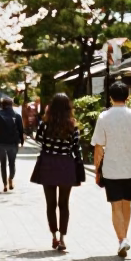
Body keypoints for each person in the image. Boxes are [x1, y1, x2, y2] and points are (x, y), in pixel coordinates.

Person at [91, 80, 131, 259]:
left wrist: (97, 170)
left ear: (110, 98)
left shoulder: (103, 117)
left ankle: (122, 239)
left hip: (111, 168)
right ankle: (124, 237)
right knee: (127, 203)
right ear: (128, 97)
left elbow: (98, 147)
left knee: (115, 205)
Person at [30, 93, 85, 251]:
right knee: (64, 204)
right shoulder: (72, 125)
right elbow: (76, 147)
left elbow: (38, 139)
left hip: (48, 162)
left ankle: (53, 236)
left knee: (50, 204)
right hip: (66, 164)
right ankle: (62, 238)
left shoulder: (45, 124)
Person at [0, 97, 25, 192]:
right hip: (13, 143)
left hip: (1, 142)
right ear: (12, 104)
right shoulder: (17, 115)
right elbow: (21, 130)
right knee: (12, 163)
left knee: (3, 164)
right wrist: (21, 141)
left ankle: (4, 184)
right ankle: (11, 179)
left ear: (2, 104)